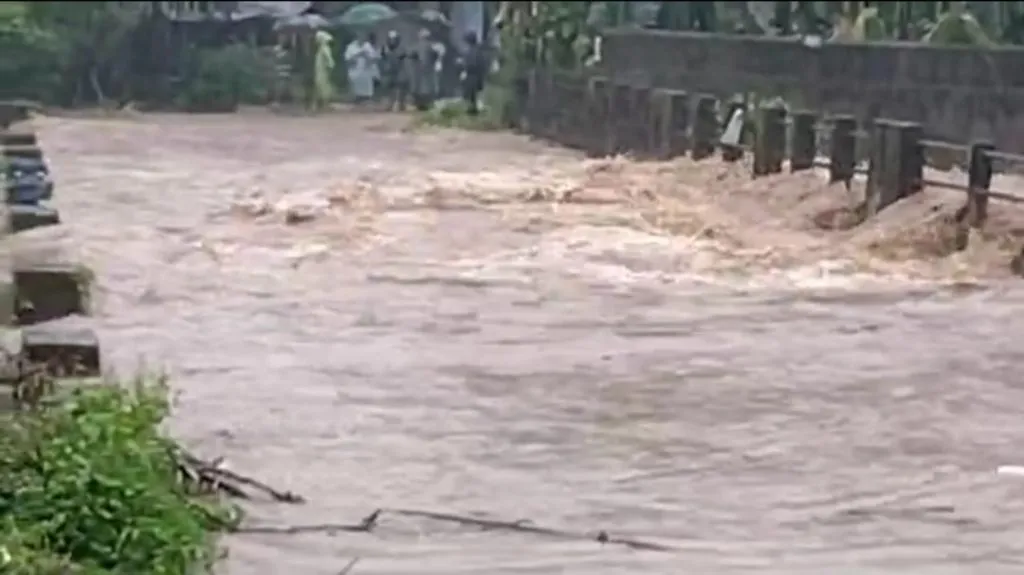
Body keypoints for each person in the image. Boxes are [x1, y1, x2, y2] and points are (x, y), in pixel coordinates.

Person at [410, 28, 443, 111]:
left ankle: (420, 104)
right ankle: (426, 104)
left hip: (419, 70)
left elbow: (411, 56)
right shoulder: (432, 46)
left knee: (419, 87)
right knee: (427, 87)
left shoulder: (416, 46)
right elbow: (436, 56)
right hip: (428, 70)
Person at [344, 31, 379, 103]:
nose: (362, 39)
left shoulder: (368, 46)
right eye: (360, 37)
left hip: (366, 73)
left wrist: (367, 57)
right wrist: (359, 54)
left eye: (363, 37)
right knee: (356, 94)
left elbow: (374, 59)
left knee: (367, 94)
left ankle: (367, 101)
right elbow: (348, 60)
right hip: (354, 73)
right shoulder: (351, 47)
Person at [458, 31, 487, 116]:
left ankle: (472, 111)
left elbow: (471, 64)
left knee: (471, 95)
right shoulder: (478, 51)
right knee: (473, 95)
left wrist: (464, 66)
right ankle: (473, 111)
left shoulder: (472, 51)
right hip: (477, 76)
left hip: (472, 76)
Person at [380, 30, 408, 111]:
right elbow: (382, 58)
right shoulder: (384, 49)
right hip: (388, 72)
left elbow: (401, 56)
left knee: (399, 87)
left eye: (394, 39)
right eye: (391, 39)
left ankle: (398, 103)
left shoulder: (401, 49)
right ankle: (389, 103)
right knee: (388, 87)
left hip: (398, 71)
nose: (392, 41)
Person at [311, 30, 336, 111]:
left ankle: (324, 105)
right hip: (320, 71)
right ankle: (319, 105)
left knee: (322, 87)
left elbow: (330, 60)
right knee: (320, 87)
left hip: (323, 71)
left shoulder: (324, 48)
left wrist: (330, 68)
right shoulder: (322, 48)